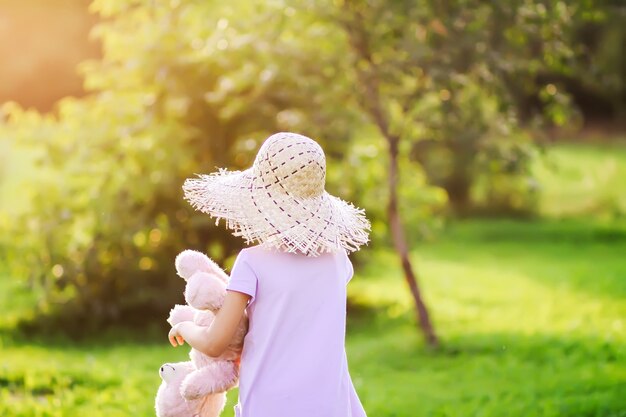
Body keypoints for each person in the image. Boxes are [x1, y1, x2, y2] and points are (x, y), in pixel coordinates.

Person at [168, 132, 370, 417]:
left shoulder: (252, 262)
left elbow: (214, 344)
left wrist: (184, 328)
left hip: (270, 406)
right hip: (332, 406)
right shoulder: (338, 260)